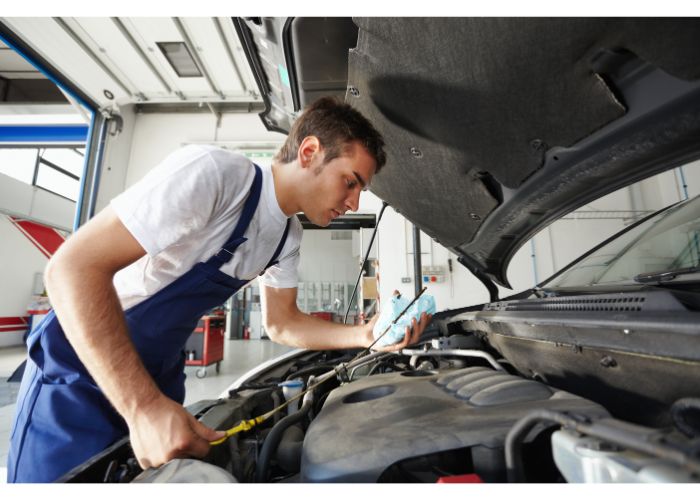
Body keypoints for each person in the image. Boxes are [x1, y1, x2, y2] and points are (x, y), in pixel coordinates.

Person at [7, 97, 432, 482]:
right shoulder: (215, 175)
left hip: (157, 375)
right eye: (351, 181)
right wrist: (143, 408)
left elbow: (282, 323)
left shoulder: (287, 237)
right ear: (309, 153)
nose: (354, 202)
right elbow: (71, 268)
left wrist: (365, 336)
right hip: (81, 373)